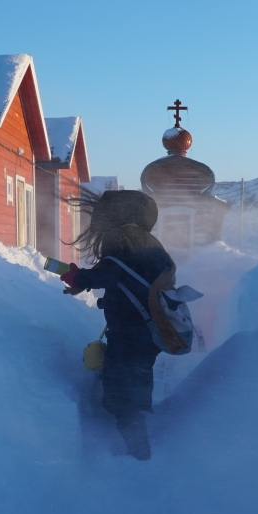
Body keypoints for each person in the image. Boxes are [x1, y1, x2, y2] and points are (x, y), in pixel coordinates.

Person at [57, 190, 186, 460]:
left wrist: (77, 277)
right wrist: (85, 283)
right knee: (136, 378)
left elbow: (111, 272)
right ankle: (134, 427)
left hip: (130, 330)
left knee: (122, 389)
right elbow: (128, 275)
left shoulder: (122, 239)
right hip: (148, 328)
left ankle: (137, 451)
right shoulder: (150, 241)